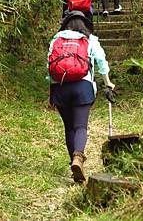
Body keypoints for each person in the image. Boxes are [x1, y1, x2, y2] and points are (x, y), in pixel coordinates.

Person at [47, 10, 115, 183]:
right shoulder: (90, 39)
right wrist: (108, 83)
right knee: (80, 127)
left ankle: (74, 164)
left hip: (60, 88)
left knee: (69, 128)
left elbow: (50, 66)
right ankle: (78, 158)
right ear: (85, 24)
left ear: (66, 23)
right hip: (82, 87)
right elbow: (101, 61)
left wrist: (51, 93)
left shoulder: (57, 39)